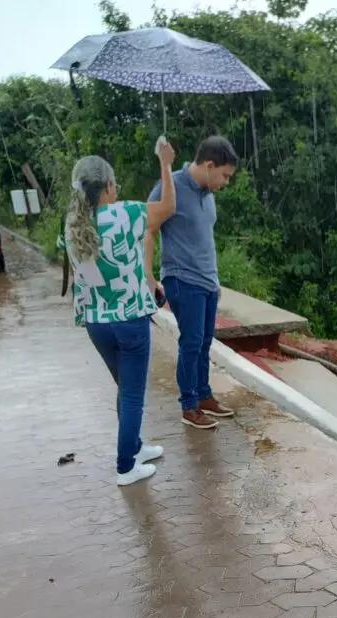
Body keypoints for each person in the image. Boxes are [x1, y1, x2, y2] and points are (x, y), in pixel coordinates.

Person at [65, 141, 176, 486]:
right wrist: (165, 163)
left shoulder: (72, 223)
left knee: (124, 388)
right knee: (131, 394)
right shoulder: (126, 213)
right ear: (109, 187)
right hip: (128, 320)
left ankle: (136, 447)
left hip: (96, 323)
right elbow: (169, 206)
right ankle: (126, 466)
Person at [146, 136, 238, 430]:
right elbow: (148, 230)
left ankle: (203, 396)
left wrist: (215, 279)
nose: (225, 183)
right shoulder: (170, 185)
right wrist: (148, 276)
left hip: (207, 282)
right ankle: (188, 405)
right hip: (182, 279)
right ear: (209, 165)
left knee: (204, 342)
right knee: (191, 342)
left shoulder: (207, 193)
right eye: (224, 175)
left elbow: (204, 239)